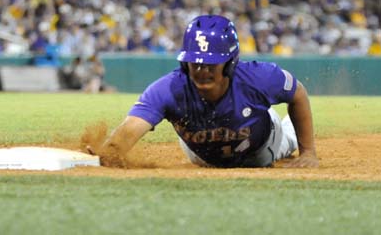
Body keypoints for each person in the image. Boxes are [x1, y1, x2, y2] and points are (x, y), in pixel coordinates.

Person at [89, 14, 318, 168]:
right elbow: (131, 128)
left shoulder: (260, 77)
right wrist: (109, 152)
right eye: (195, 63)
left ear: (229, 62)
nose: (201, 70)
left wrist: (308, 152)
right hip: (201, 155)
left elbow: (298, 94)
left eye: (211, 64)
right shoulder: (169, 89)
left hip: (260, 148)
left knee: (287, 141)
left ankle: (287, 131)